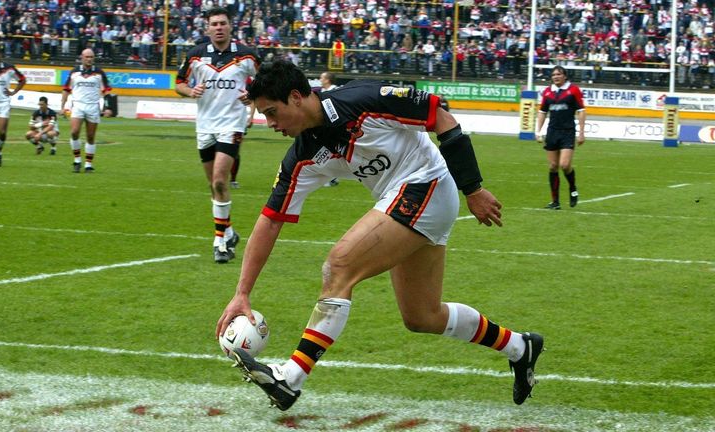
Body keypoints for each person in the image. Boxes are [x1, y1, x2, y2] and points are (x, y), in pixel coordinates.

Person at [215, 60, 544, 411]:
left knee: (339, 265)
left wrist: (473, 188)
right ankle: (520, 347)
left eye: (271, 112)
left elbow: (441, 117)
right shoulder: (302, 154)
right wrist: (242, 293)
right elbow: (270, 221)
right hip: (406, 201)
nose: (271, 124)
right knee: (422, 316)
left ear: (296, 97)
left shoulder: (363, 98)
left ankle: (291, 378)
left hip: (426, 184)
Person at [175, 7, 260, 264]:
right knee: (214, 185)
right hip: (205, 126)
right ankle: (230, 231)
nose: (219, 27)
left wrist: (253, 93)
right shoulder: (195, 56)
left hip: (232, 125)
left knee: (221, 181)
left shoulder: (246, 55)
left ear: (231, 26)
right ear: (208, 28)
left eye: (223, 23)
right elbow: (179, 83)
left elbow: (264, 79)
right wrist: (190, 91)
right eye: (214, 24)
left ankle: (219, 243)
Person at [535, 66, 585, 209]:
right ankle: (555, 202)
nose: (556, 76)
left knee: (564, 164)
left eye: (558, 74)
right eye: (553, 74)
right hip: (552, 132)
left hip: (567, 132)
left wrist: (581, 132)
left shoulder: (573, 90)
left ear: (565, 76)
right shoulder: (548, 92)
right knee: (552, 166)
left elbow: (581, 111)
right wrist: (538, 131)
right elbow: (542, 112)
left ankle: (573, 188)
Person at [61, 48, 112, 173]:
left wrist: (108, 107)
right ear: (82, 58)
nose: (89, 59)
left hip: (93, 106)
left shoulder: (99, 73)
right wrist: (62, 106)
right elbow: (66, 89)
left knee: (90, 136)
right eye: (87, 57)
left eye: (91, 57)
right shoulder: (74, 72)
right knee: (74, 132)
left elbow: (107, 91)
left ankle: (88, 164)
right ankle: (77, 160)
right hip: (78, 105)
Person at [319, 71, 340, 187]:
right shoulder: (323, 92)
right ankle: (333, 177)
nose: (320, 80)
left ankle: (331, 178)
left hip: (334, 127)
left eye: (322, 78)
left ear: (327, 80)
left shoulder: (334, 91)